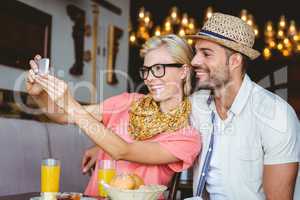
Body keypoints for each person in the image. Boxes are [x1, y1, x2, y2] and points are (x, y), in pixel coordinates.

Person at [26, 34, 201, 197]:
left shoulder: (186, 137)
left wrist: (71, 104)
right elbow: (63, 117)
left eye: (158, 68)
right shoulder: (128, 102)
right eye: (146, 70)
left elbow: (122, 150)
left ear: (183, 71)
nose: (149, 78)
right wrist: (39, 94)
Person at [186, 13, 299, 200]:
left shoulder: (277, 114)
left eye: (206, 53)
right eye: (196, 52)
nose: (194, 61)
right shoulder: (196, 104)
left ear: (235, 61)